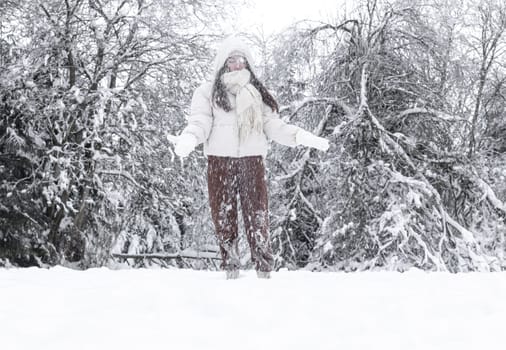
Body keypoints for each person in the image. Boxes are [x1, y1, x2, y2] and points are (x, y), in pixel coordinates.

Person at [169, 36, 329, 279]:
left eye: (241, 59)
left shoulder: (258, 93)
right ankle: (230, 267)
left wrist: (300, 136)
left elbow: (272, 125)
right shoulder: (207, 92)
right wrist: (190, 138)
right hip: (219, 161)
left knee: (257, 214)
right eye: (231, 59)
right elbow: (200, 121)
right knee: (222, 214)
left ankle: (264, 269)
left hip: (252, 160)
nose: (236, 64)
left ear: (248, 63)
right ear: (223, 62)